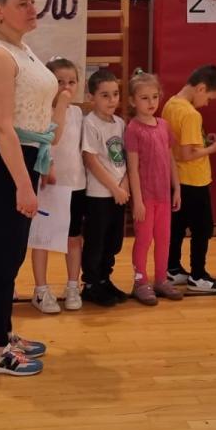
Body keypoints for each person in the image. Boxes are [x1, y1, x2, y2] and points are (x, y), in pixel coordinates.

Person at [0, 0, 71, 376]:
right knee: (1, 256)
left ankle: (3, 331)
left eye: (32, 0)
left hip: (19, 159)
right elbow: (3, 127)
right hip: (1, 161)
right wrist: (24, 186)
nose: (32, 8)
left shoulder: (19, 48)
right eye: (22, 3)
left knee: (10, 255)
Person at [163, 65, 216, 293]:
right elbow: (186, 154)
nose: (207, 103)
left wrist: (203, 142)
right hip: (194, 180)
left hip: (177, 180)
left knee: (177, 227)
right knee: (202, 229)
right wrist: (212, 149)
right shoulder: (191, 114)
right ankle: (198, 275)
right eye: (208, 98)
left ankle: (172, 268)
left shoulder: (171, 104)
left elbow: (180, 145)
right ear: (201, 88)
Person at [30, 58, 86, 314]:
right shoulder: (40, 110)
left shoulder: (78, 113)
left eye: (72, 82)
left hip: (76, 184)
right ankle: (41, 290)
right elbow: (48, 141)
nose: (66, 87)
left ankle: (73, 285)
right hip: (49, 186)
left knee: (74, 239)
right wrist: (47, 166)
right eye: (60, 82)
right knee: (42, 239)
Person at [124, 70, 183, 305]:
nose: (151, 102)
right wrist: (137, 201)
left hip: (164, 197)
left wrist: (176, 188)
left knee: (164, 239)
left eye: (155, 97)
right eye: (144, 98)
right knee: (144, 240)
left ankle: (161, 279)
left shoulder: (164, 126)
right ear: (132, 101)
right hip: (146, 198)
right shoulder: (133, 129)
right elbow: (132, 168)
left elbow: (170, 159)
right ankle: (140, 281)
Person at [80, 69, 130, 307]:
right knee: (96, 241)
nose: (112, 100)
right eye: (105, 95)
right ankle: (91, 284)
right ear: (92, 97)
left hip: (119, 193)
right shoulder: (90, 123)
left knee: (113, 241)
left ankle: (104, 279)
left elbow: (126, 159)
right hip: (99, 194)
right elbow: (91, 160)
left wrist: (124, 185)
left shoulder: (120, 123)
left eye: (115, 94)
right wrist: (114, 187)